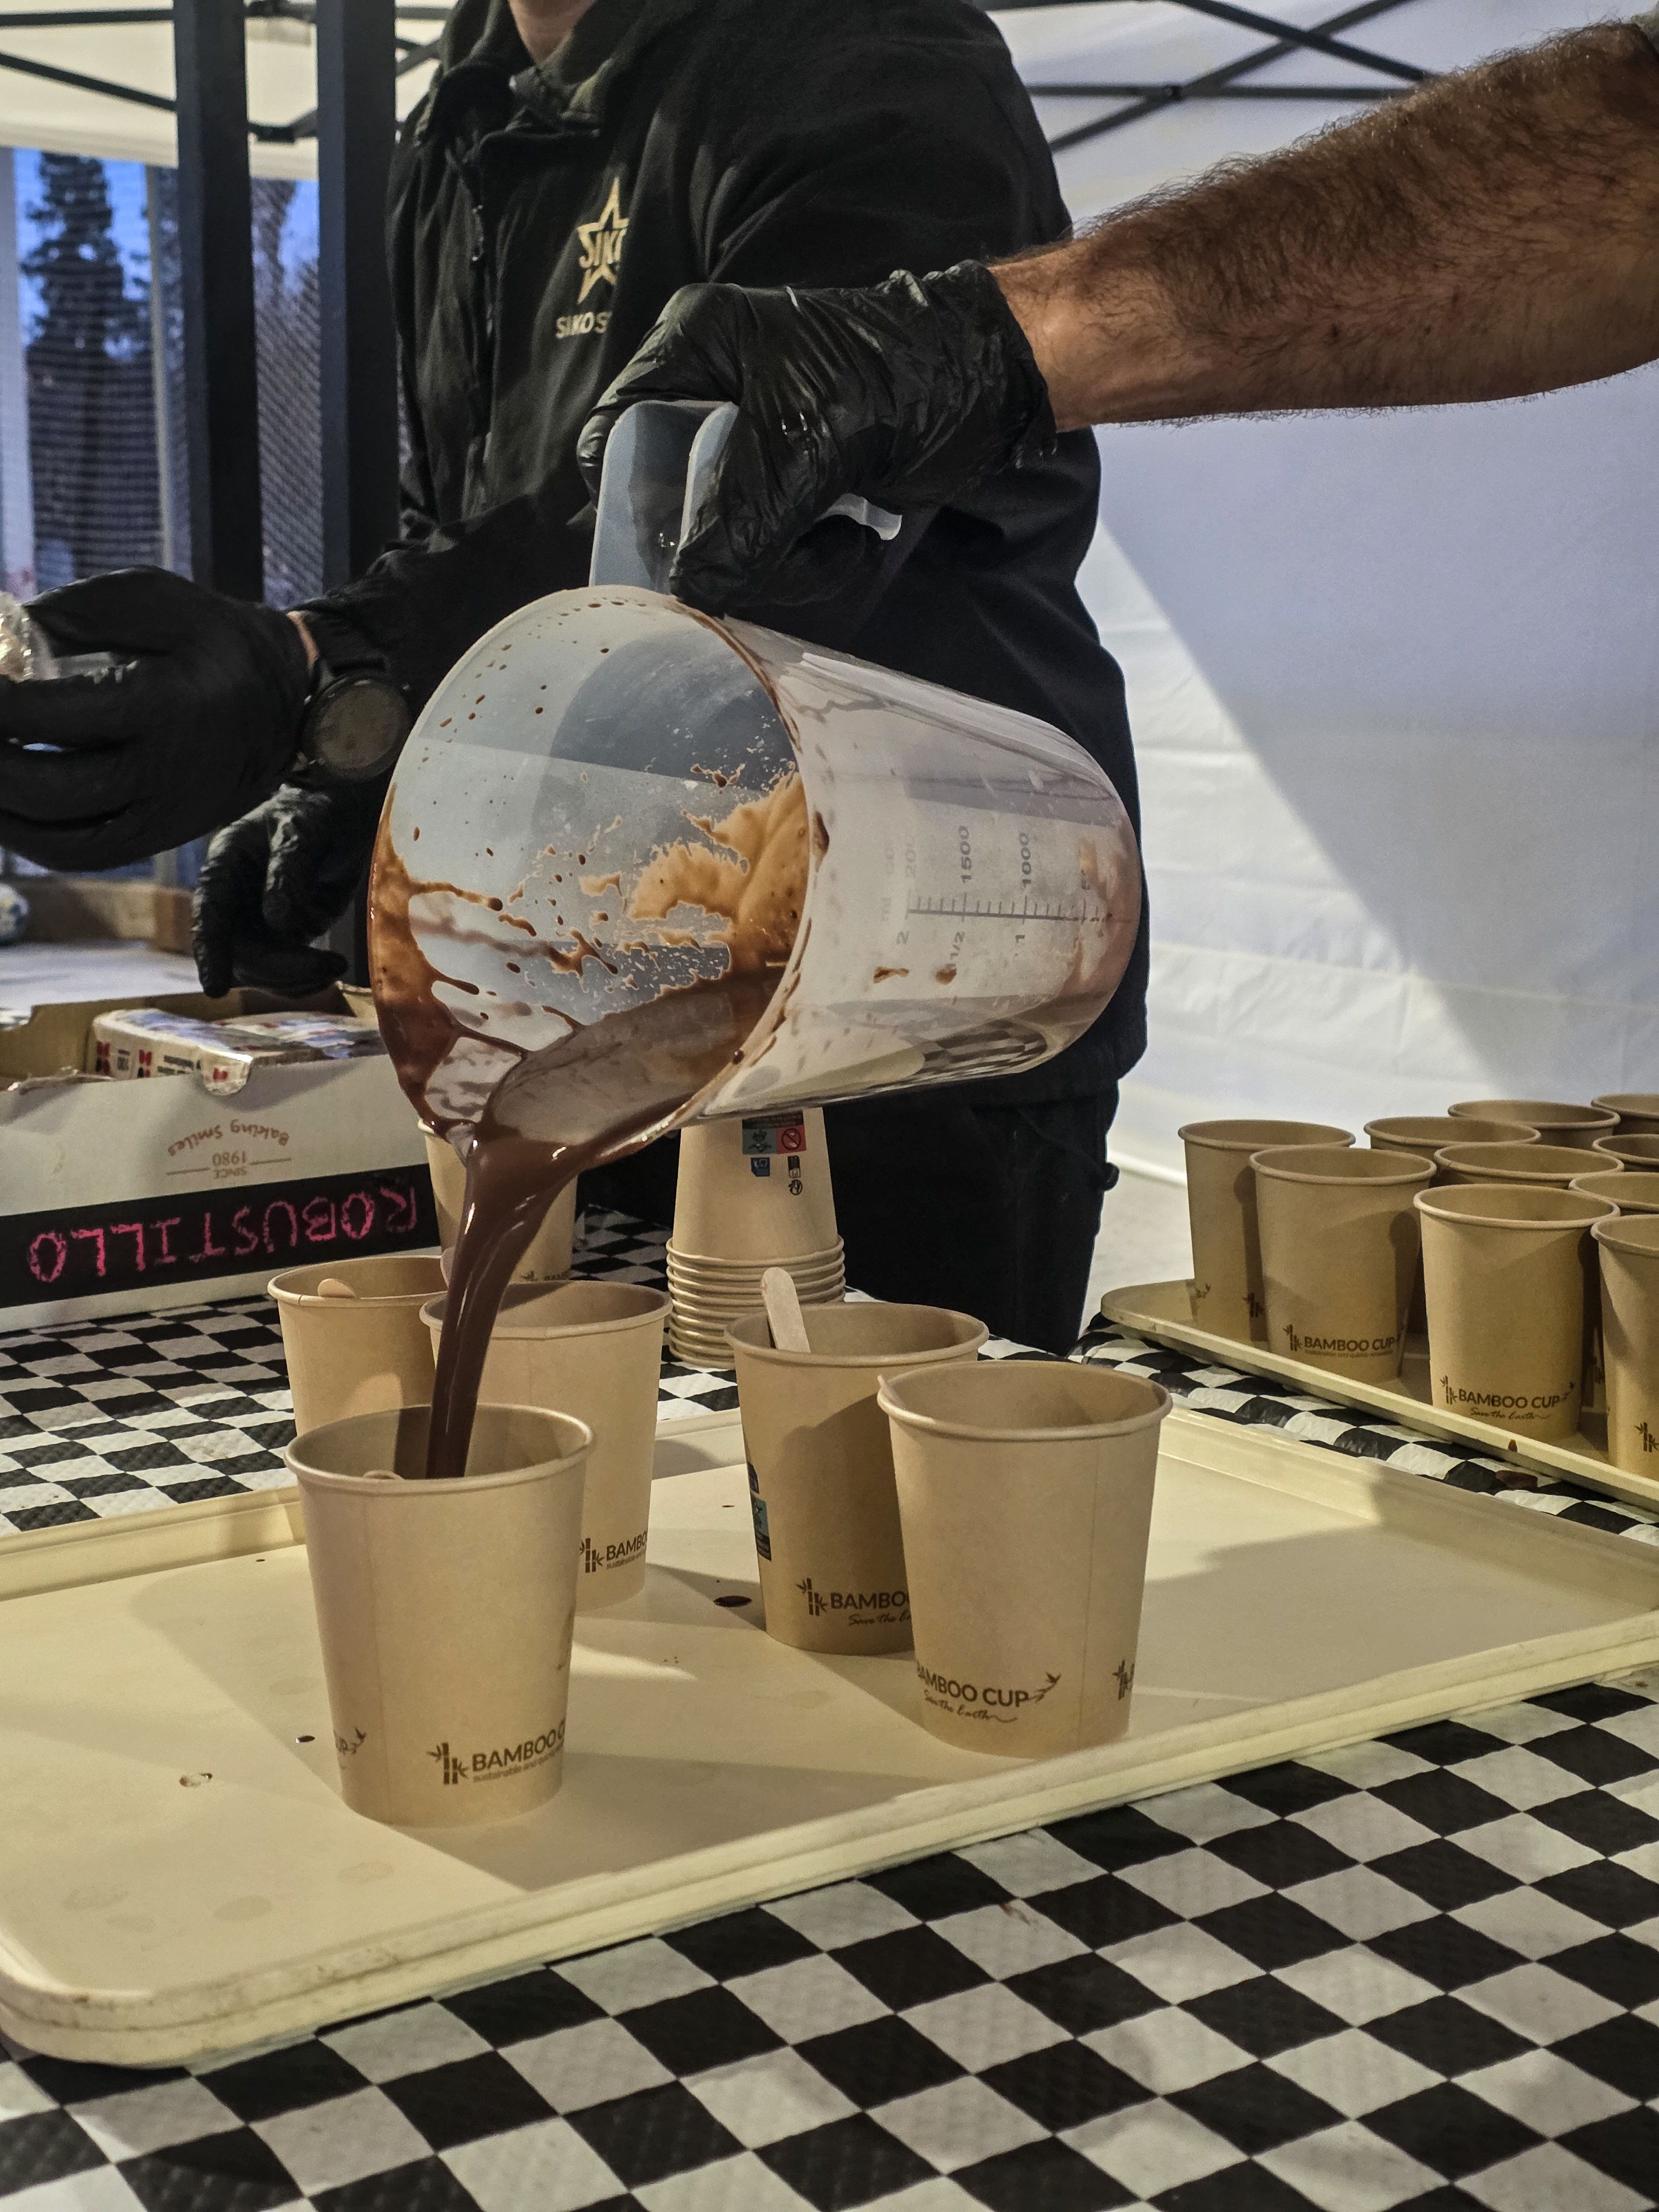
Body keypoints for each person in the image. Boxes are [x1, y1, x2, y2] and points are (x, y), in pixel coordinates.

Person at [0, 0, 1150, 1355]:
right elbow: (463, 520)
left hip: (910, 972)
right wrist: (367, 764)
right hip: (590, 970)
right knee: (599, 1515)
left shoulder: (857, 46)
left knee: (874, 1538)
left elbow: (748, 511)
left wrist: (319, 670)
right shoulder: (460, 114)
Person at [577, 13, 1659, 615]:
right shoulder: (456, 126)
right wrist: (961, 346)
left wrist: (958, 348)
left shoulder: (849, 52)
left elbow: (1631, 149)